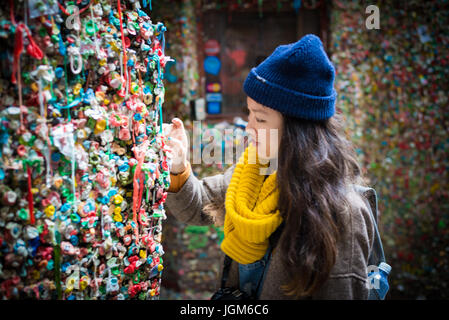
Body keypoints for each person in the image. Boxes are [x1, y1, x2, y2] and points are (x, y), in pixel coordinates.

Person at [163, 34, 376, 299]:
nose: (248, 128)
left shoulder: (343, 213)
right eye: (249, 113)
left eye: (261, 119)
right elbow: (200, 205)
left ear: (298, 131)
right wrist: (178, 165)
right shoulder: (256, 170)